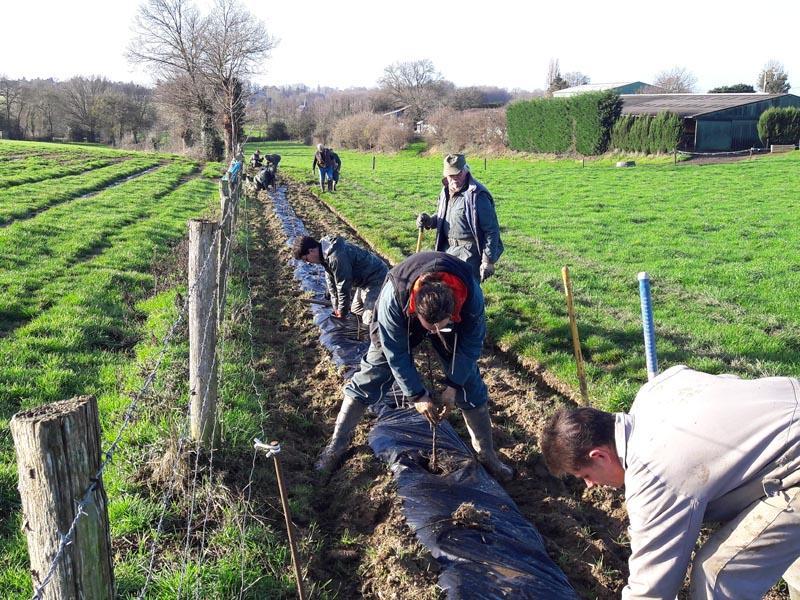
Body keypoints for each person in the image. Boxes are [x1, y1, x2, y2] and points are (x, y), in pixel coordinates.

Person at [541, 365, 800, 600]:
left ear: (599, 456)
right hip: (790, 409)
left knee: (719, 576)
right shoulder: (654, 390)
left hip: (795, 465)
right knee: (783, 549)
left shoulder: (654, 475)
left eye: (585, 476)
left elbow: (651, 591)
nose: (590, 485)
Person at [314, 250, 513, 482]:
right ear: (416, 310)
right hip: (401, 316)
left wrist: (452, 386)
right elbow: (395, 352)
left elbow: (470, 346)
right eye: (429, 327)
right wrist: (417, 395)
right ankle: (336, 446)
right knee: (372, 374)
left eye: (439, 327)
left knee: (470, 384)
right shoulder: (393, 297)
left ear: (452, 311)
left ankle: (487, 455)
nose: (433, 333)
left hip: (452, 323)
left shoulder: (471, 297)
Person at [416, 154, 503, 283]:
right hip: (447, 249)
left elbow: (491, 230)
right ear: (445, 175)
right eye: (451, 175)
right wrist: (429, 221)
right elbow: (443, 217)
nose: (455, 179)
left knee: (464, 293)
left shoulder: (477, 195)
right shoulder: (445, 191)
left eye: (458, 174)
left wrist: (487, 261)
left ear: (465, 170)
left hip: (469, 254)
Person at [292, 234, 388, 324]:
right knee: (356, 312)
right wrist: (336, 308)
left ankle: (374, 337)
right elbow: (331, 284)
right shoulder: (324, 254)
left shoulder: (336, 257)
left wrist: (341, 311)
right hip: (363, 281)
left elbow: (343, 286)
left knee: (369, 319)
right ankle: (360, 337)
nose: (308, 263)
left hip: (376, 278)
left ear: (311, 251)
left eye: (306, 259)